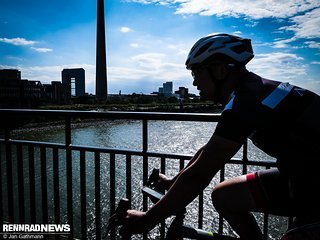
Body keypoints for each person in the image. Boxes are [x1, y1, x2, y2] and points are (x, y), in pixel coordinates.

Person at [122, 33, 320, 239]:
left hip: (311, 183)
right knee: (225, 196)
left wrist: (146, 220)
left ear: (220, 70)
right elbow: (209, 152)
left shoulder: (246, 102)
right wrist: (174, 181)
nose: (195, 81)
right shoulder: (252, 91)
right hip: (304, 178)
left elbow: (199, 175)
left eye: (197, 72)